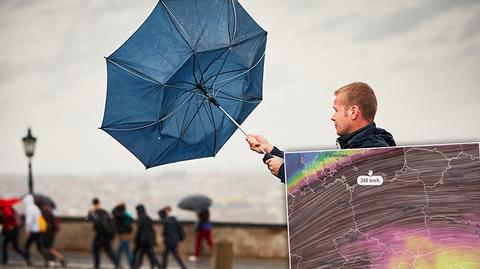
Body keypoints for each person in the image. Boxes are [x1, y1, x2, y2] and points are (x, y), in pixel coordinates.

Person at [246, 82, 396, 182]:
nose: (332, 117)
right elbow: (318, 167)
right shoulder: (357, 146)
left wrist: (285, 170)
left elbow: (337, 182)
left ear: (353, 112)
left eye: (336, 110)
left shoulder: (373, 149)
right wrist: (270, 149)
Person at [87, 198, 118, 269]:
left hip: (100, 234)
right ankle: (117, 264)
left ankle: (97, 266)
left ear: (93, 204)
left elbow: (93, 220)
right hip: (107, 234)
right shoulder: (105, 211)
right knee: (109, 250)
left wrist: (90, 213)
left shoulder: (96, 212)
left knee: (96, 249)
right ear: (99, 203)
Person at [36, 197, 67, 267]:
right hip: (51, 231)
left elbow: (47, 221)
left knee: (48, 248)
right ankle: (54, 260)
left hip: (49, 231)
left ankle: (60, 259)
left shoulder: (44, 210)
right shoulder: (48, 209)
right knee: (47, 247)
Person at [23, 194, 51, 266]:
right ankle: (47, 260)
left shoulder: (29, 209)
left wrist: (27, 230)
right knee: (40, 247)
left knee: (26, 247)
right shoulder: (35, 207)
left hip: (33, 230)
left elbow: (29, 221)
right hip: (38, 230)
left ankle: (28, 261)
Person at [0, 197, 28, 265]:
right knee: (13, 247)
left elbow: (9, 216)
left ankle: (5, 260)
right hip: (11, 230)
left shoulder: (6, 209)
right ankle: (26, 257)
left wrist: (11, 225)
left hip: (10, 231)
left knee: (4, 246)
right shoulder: (10, 209)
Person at [133, 204, 161, 269]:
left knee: (139, 255)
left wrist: (136, 240)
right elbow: (152, 230)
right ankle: (157, 265)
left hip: (143, 240)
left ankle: (135, 266)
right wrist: (154, 240)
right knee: (150, 255)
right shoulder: (148, 217)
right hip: (149, 239)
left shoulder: (141, 218)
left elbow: (140, 230)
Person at [112, 203, 134, 268]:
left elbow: (113, 212)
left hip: (123, 234)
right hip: (127, 234)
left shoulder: (119, 214)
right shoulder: (126, 214)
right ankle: (117, 265)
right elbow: (131, 219)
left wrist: (117, 205)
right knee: (119, 251)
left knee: (126, 251)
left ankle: (131, 265)